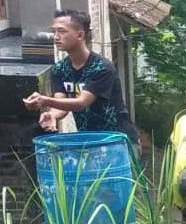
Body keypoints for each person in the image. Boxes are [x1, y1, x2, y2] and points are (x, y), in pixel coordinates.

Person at [23, 9, 137, 144]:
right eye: (54, 31)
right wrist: (52, 115)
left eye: (62, 31)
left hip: (117, 140)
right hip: (87, 141)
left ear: (80, 35)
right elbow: (61, 104)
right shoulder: (59, 69)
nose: (55, 37)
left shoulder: (101, 68)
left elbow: (81, 103)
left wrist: (44, 100)